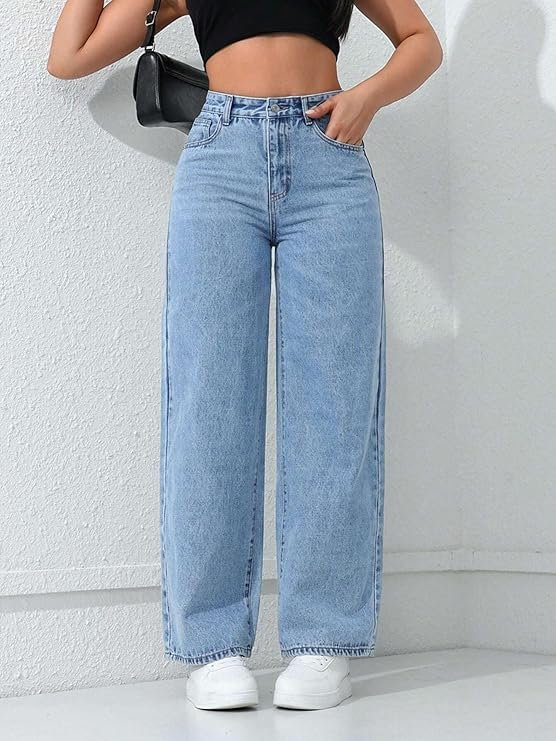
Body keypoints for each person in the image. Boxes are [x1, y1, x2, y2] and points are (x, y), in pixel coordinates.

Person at [48, 0, 442, 712]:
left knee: (335, 406)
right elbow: (69, 56)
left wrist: (367, 98)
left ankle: (322, 640)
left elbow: (421, 41)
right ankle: (213, 646)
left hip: (329, 157)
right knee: (209, 407)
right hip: (220, 159)